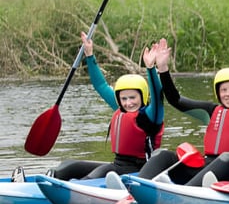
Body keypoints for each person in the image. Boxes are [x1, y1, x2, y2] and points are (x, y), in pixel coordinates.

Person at [137, 27, 229, 186]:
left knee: (227, 157)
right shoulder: (212, 112)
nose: (228, 94)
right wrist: (162, 69)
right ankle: (135, 188)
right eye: (224, 90)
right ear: (218, 93)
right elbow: (175, 100)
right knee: (162, 154)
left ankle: (185, 193)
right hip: (207, 170)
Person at [44, 32, 165, 181]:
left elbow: (159, 98)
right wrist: (89, 55)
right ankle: (42, 182)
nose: (128, 103)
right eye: (124, 98)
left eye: (133, 97)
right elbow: (100, 85)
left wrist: (150, 68)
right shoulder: (121, 109)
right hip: (118, 165)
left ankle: (74, 188)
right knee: (69, 166)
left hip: (141, 171)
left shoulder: (151, 115)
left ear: (143, 96)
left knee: (95, 175)